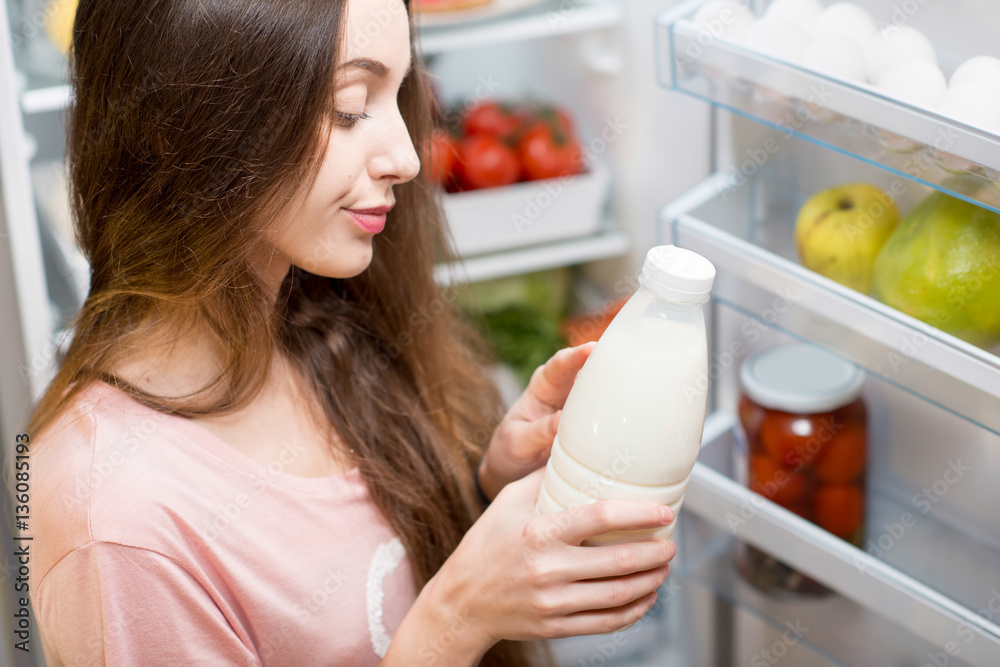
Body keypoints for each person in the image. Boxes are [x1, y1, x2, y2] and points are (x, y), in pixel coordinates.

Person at [26, 0, 676, 664]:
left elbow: (363, 589)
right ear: (190, 119)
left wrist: (486, 494)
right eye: (348, 107)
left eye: (400, 95)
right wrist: (457, 615)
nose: (406, 157)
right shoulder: (113, 525)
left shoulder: (311, 317)